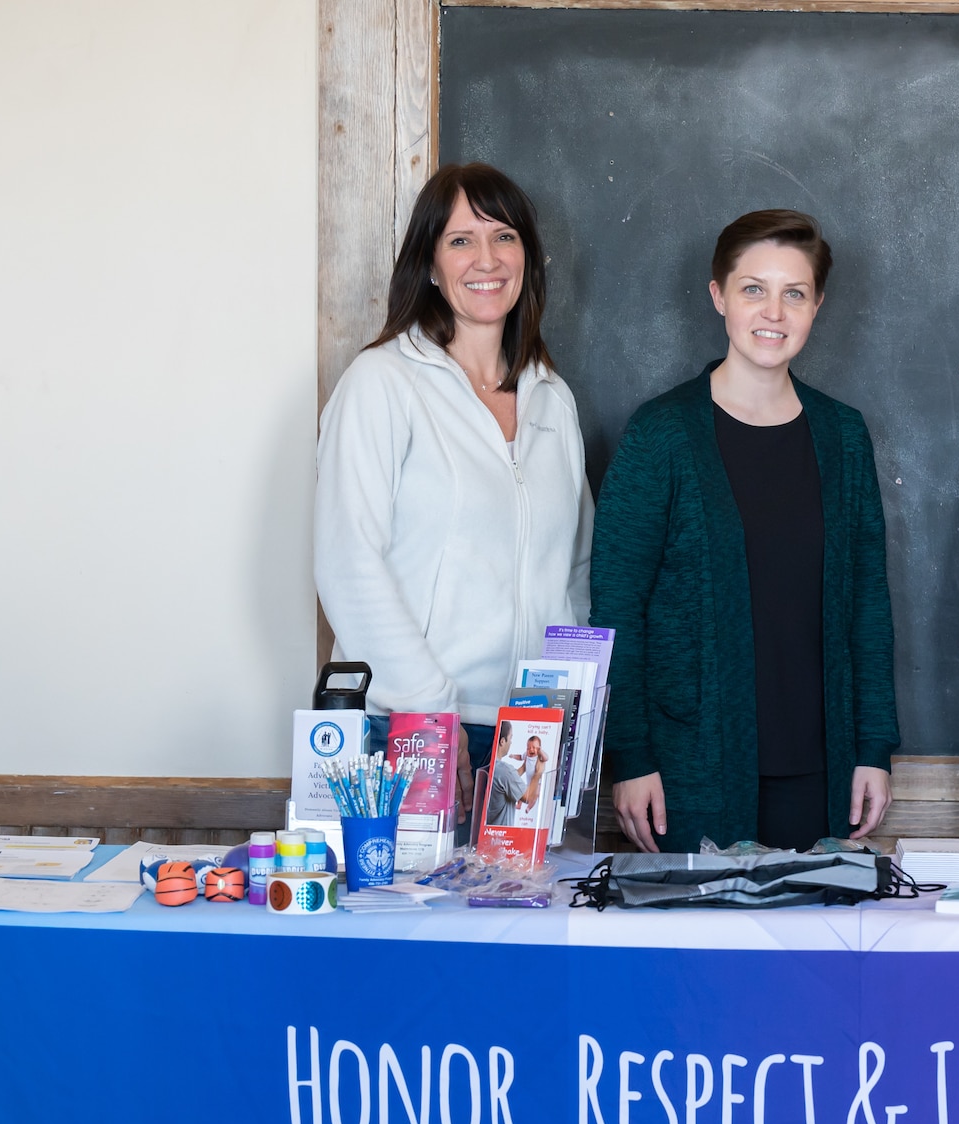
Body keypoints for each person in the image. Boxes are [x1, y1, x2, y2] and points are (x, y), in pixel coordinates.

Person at [591, 209, 899, 852]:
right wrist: (631, 755)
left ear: (817, 304)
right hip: (688, 769)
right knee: (698, 953)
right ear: (718, 297)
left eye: (794, 293)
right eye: (753, 289)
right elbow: (616, 608)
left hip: (822, 768)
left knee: (813, 950)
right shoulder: (662, 434)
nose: (773, 313)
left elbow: (867, 605)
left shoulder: (843, 437)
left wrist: (873, 746)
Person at [316, 163, 593, 810]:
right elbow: (347, 560)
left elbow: (574, 572)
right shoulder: (382, 382)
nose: (487, 259)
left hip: (527, 736)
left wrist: (559, 713)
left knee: (520, 911)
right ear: (431, 264)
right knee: (406, 911)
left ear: (528, 256)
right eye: (461, 240)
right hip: (407, 725)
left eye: (505, 236)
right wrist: (431, 716)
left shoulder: (552, 398)